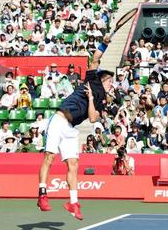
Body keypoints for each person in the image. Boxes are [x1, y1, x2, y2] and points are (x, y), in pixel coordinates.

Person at [37, 35, 115, 220]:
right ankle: (42, 195)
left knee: (74, 164)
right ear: (102, 79)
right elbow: (95, 58)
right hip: (59, 119)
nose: (112, 83)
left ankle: (73, 203)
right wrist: (105, 42)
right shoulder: (92, 80)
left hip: (71, 128)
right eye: (110, 80)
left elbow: (93, 117)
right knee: (49, 157)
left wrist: (90, 100)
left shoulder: (100, 100)